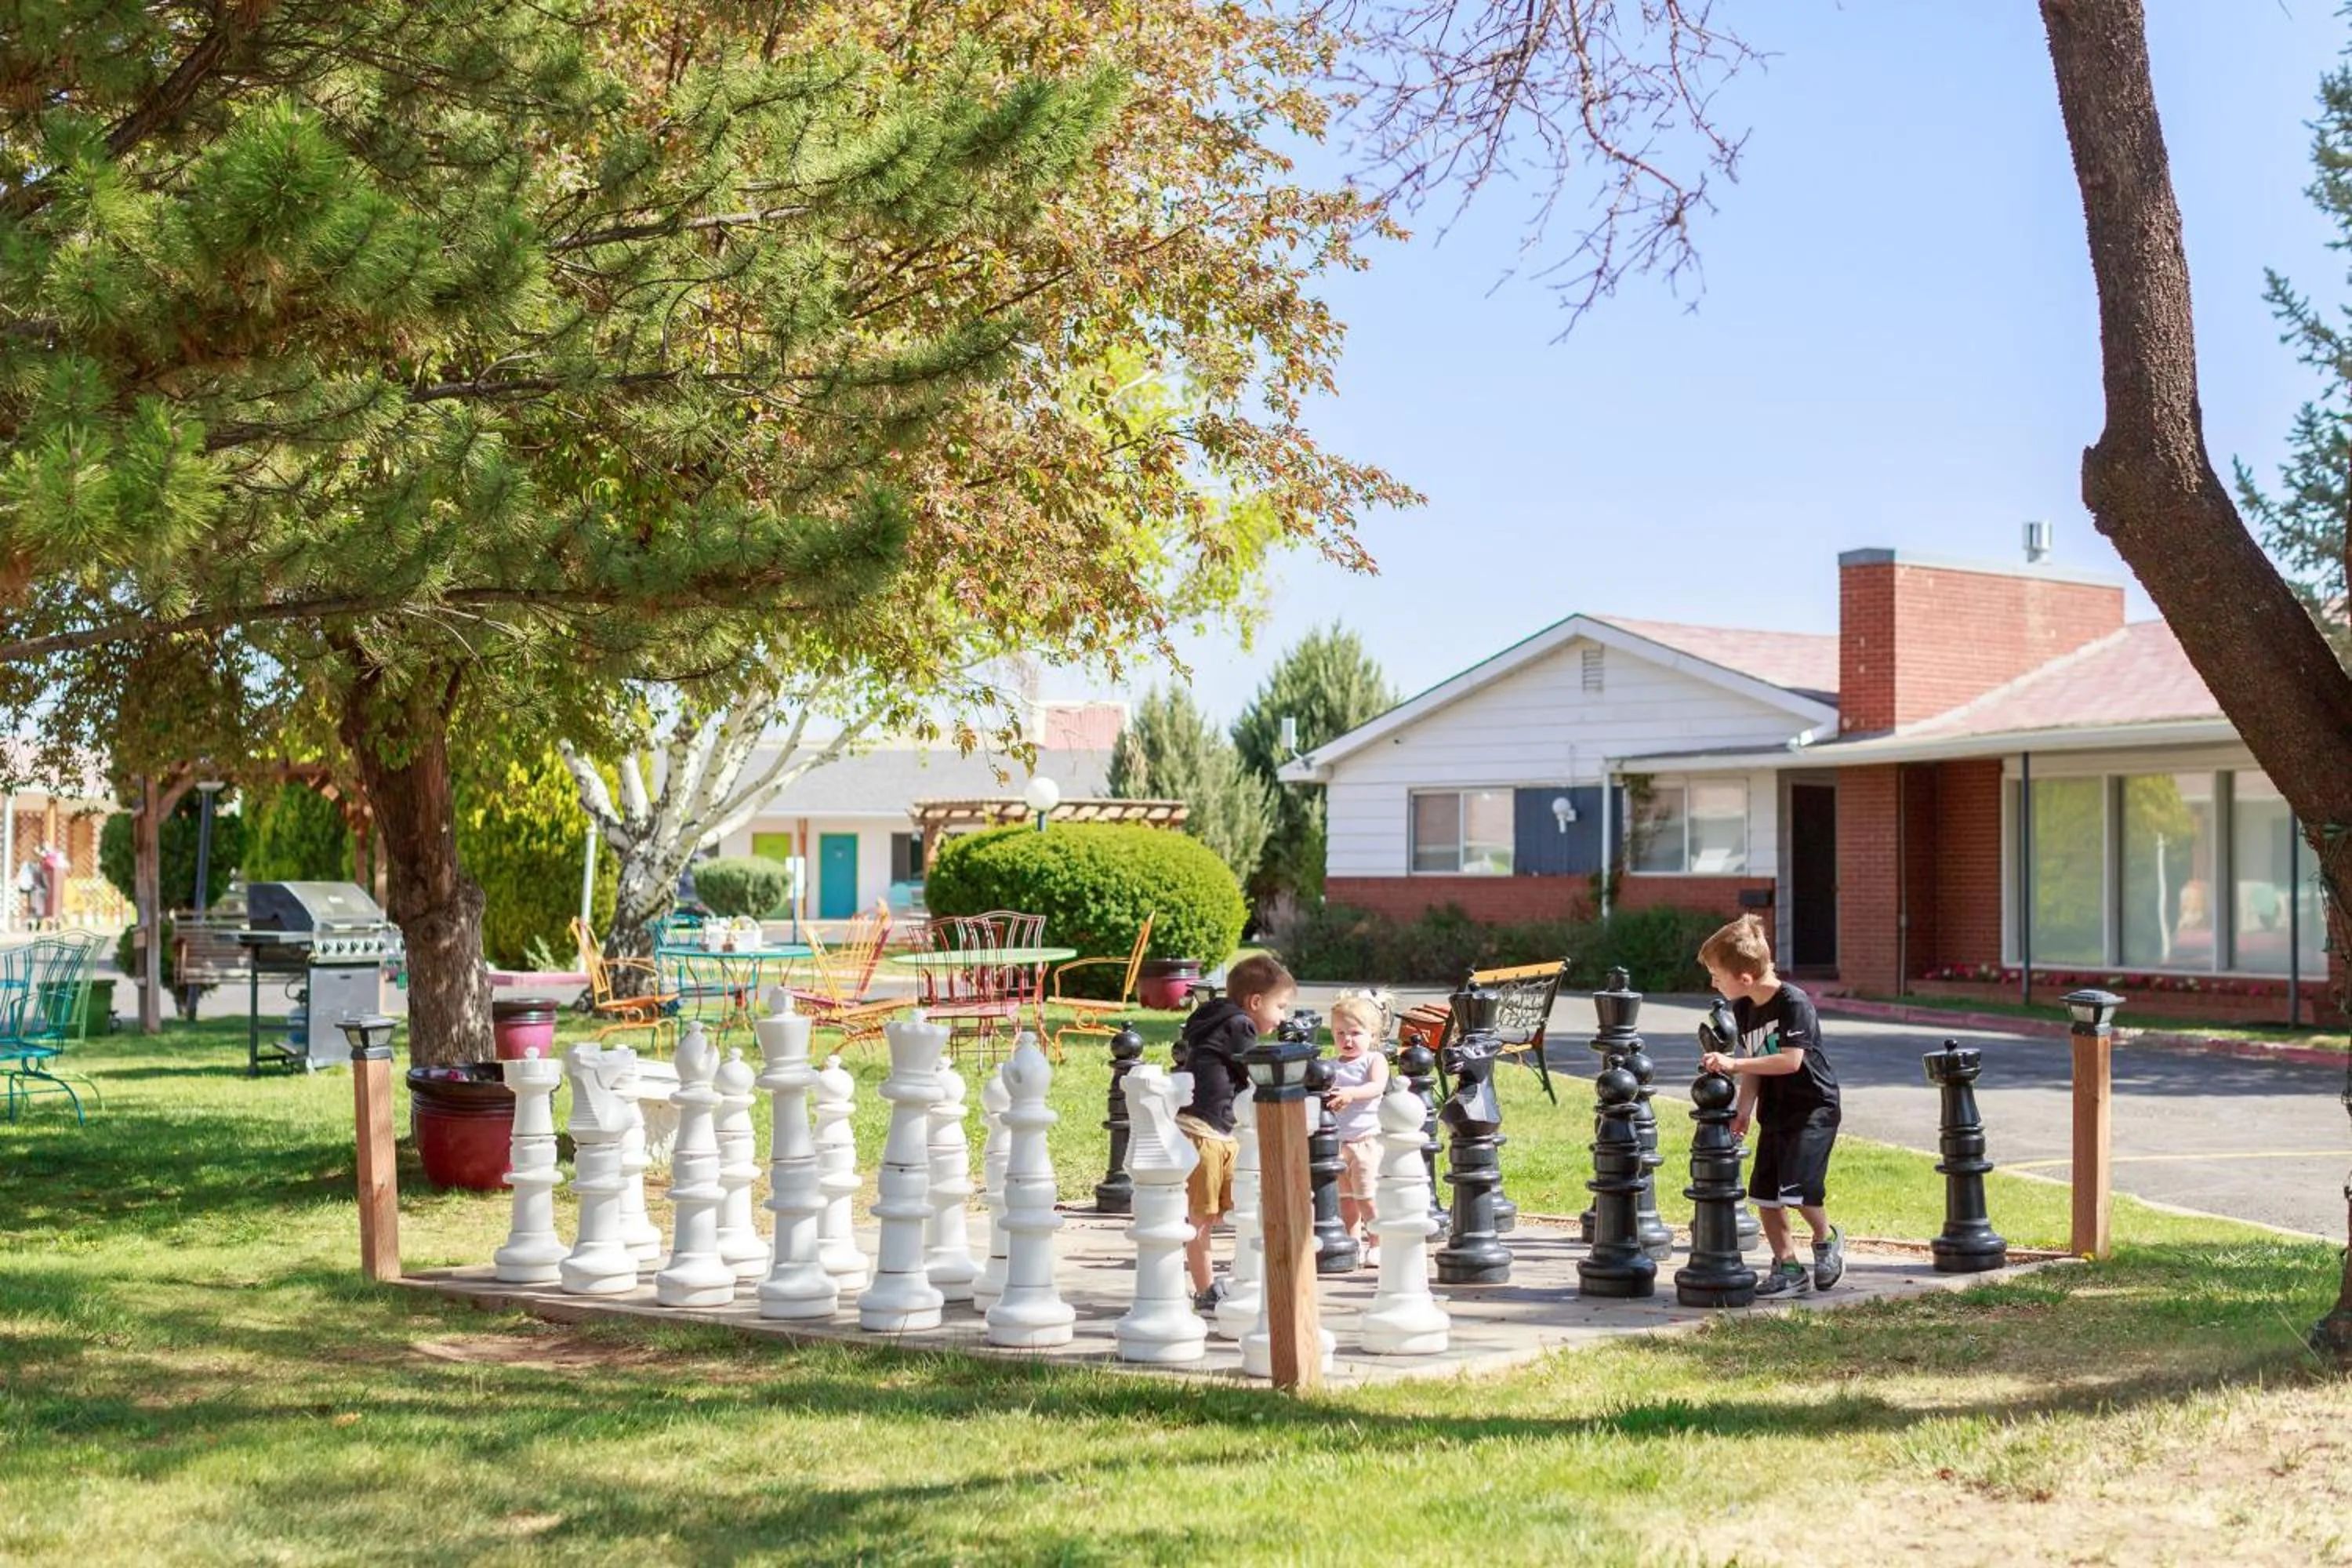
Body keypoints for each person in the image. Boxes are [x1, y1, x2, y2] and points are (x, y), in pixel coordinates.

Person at [1694, 913, 1845, 1296]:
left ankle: (1826, 1239)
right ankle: (1788, 1266)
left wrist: (1732, 1063)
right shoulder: (1744, 1008)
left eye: (1716, 974)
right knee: (1764, 1192)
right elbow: (1758, 1066)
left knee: (1797, 1189)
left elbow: (1790, 1060)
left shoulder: (1793, 1003)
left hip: (1814, 1108)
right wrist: (1744, 1109)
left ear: (1744, 977)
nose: (1713, 981)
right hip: (1776, 1110)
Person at [1174, 952, 1297, 1312]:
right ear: (1256, 1002)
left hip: (1213, 1128)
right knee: (1202, 1217)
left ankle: (1216, 1281)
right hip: (1206, 1131)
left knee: (1217, 1215)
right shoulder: (1239, 1025)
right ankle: (1205, 1289)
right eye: (1281, 1007)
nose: (1284, 1017)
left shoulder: (1218, 1020)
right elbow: (1256, 1072)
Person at [1322, 989, 1392, 1267]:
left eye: (1354, 1033)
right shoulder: (1331, 1066)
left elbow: (1376, 1088)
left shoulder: (1374, 1061)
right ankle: (1352, 1245)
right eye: (1340, 1033)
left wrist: (1350, 1094)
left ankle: (1377, 1243)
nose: (1347, 1040)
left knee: (1367, 1198)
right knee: (1346, 1202)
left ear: (1372, 1035)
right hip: (1338, 1145)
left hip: (1365, 1142)